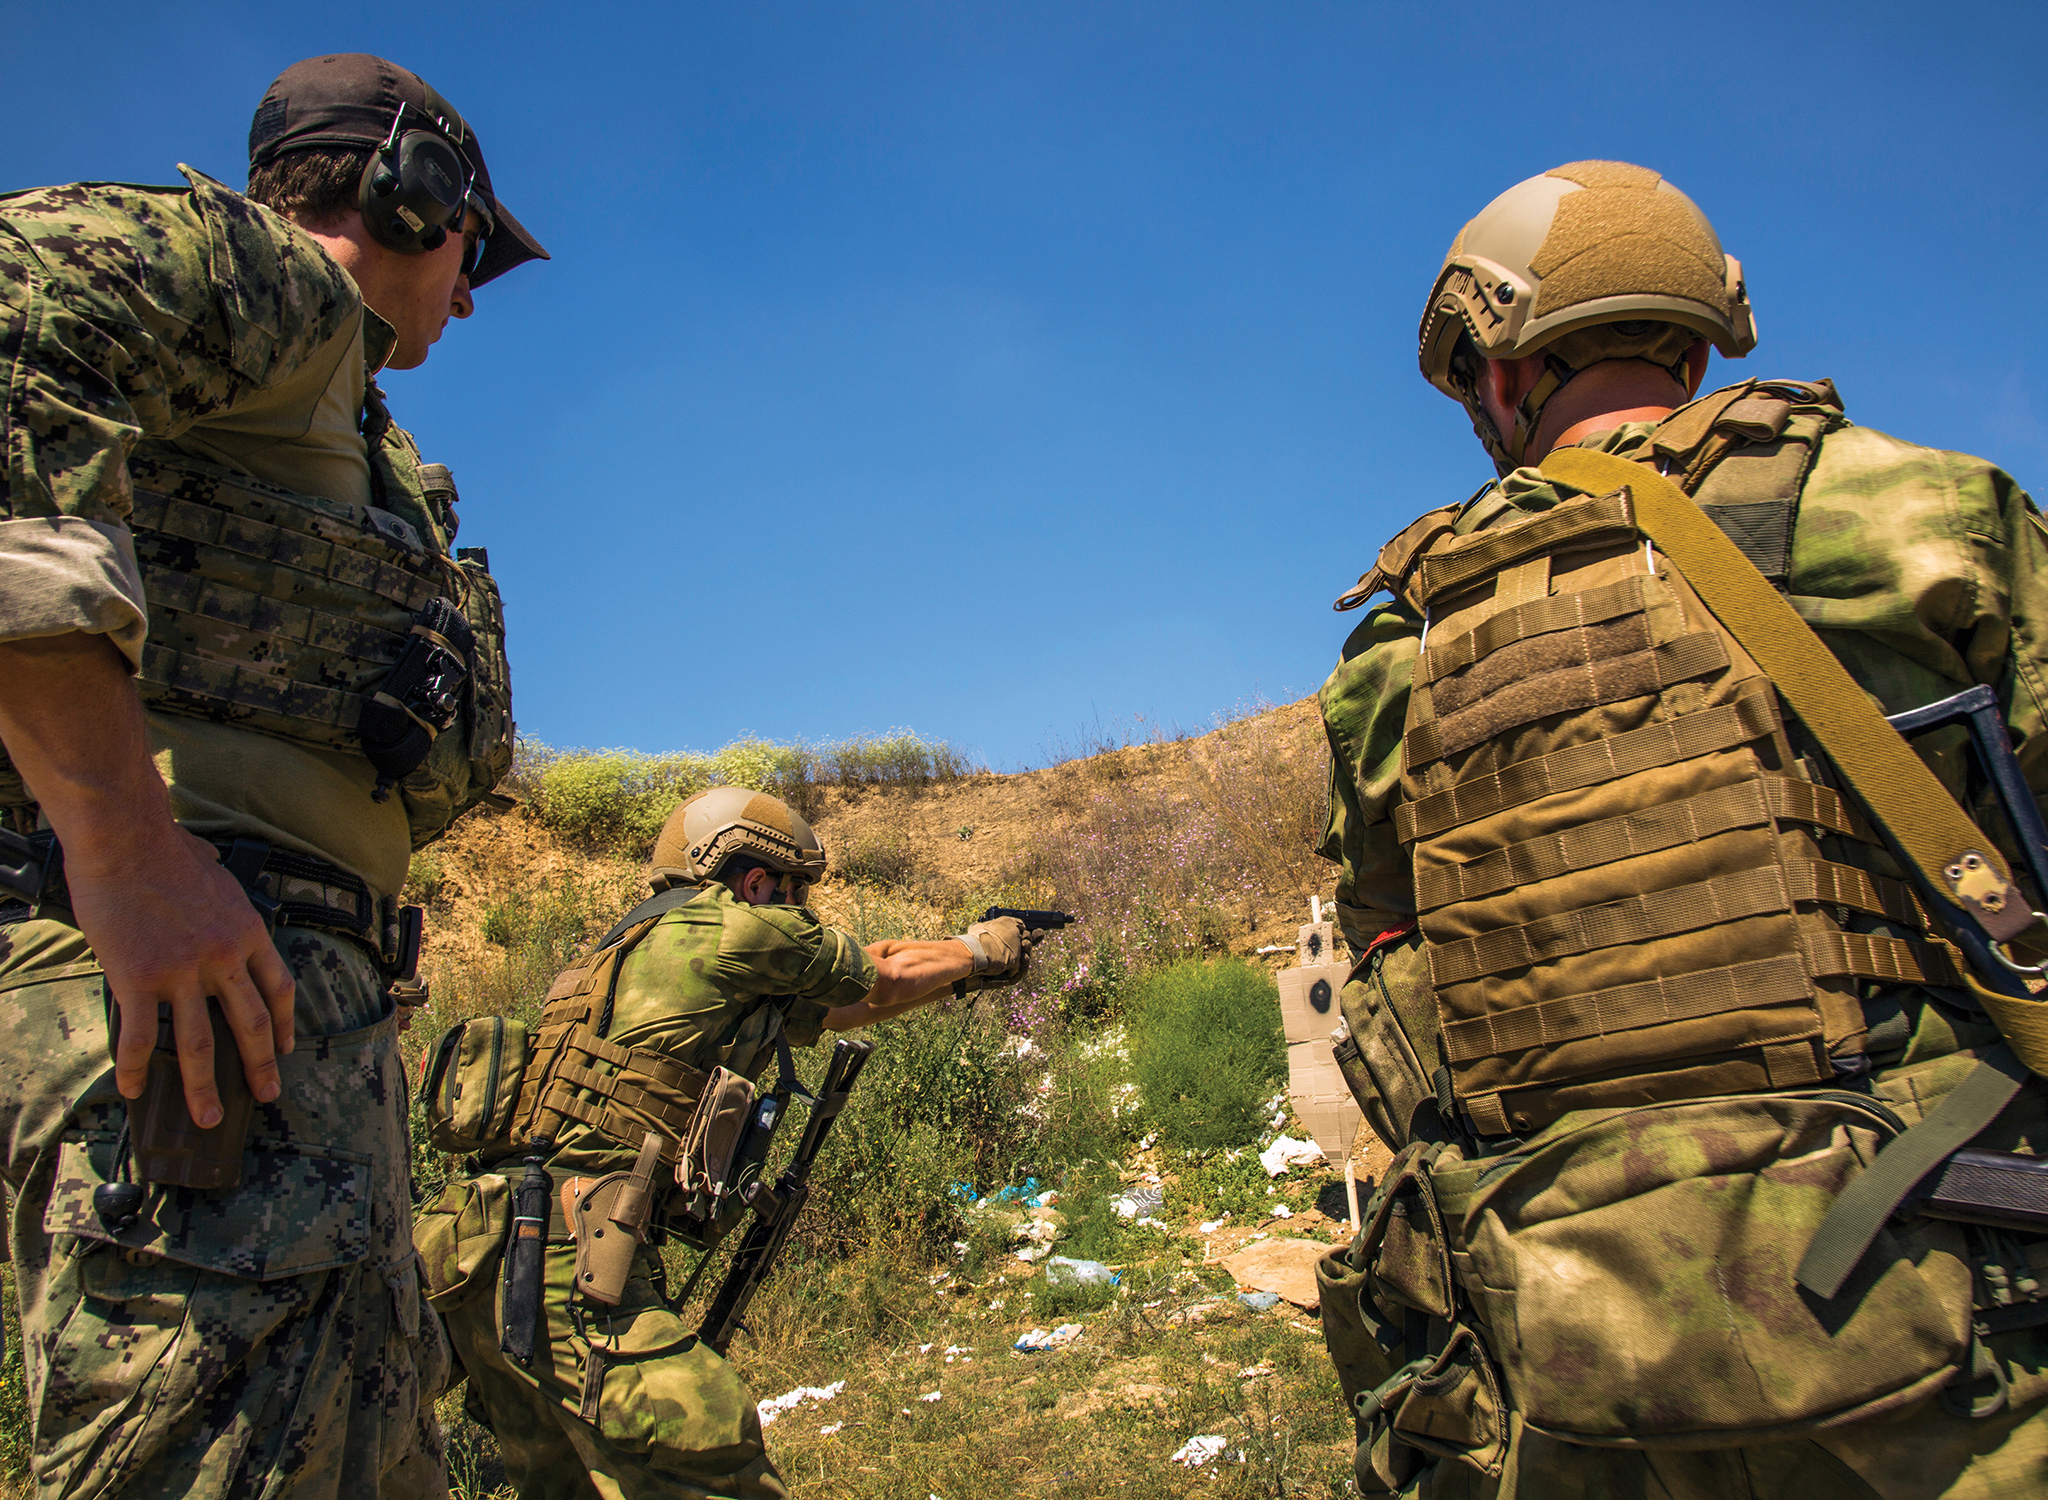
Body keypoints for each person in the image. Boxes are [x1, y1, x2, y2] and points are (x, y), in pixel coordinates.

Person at [1315, 160, 2048, 1497]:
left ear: (1498, 365)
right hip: (1951, 1312)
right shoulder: (1922, 518)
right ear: (1704, 335)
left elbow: (1395, 961)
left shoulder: (1395, 649)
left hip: (1565, 1351)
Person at [0, 53, 547, 1498]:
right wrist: (125, 848)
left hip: (288, 1012)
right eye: (473, 247)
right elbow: (8, 318)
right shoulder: (273, 290)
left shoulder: (345, 421)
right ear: (411, 195)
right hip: (187, 1004)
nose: (473, 294)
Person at [415, 786, 1036, 1498]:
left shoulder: (619, 955)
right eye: (796, 891)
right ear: (755, 879)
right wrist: (981, 948)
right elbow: (885, 968)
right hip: (571, 1255)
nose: (802, 911)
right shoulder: (735, 924)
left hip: (477, 1252)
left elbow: (846, 1007)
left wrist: (962, 979)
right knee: (709, 1450)